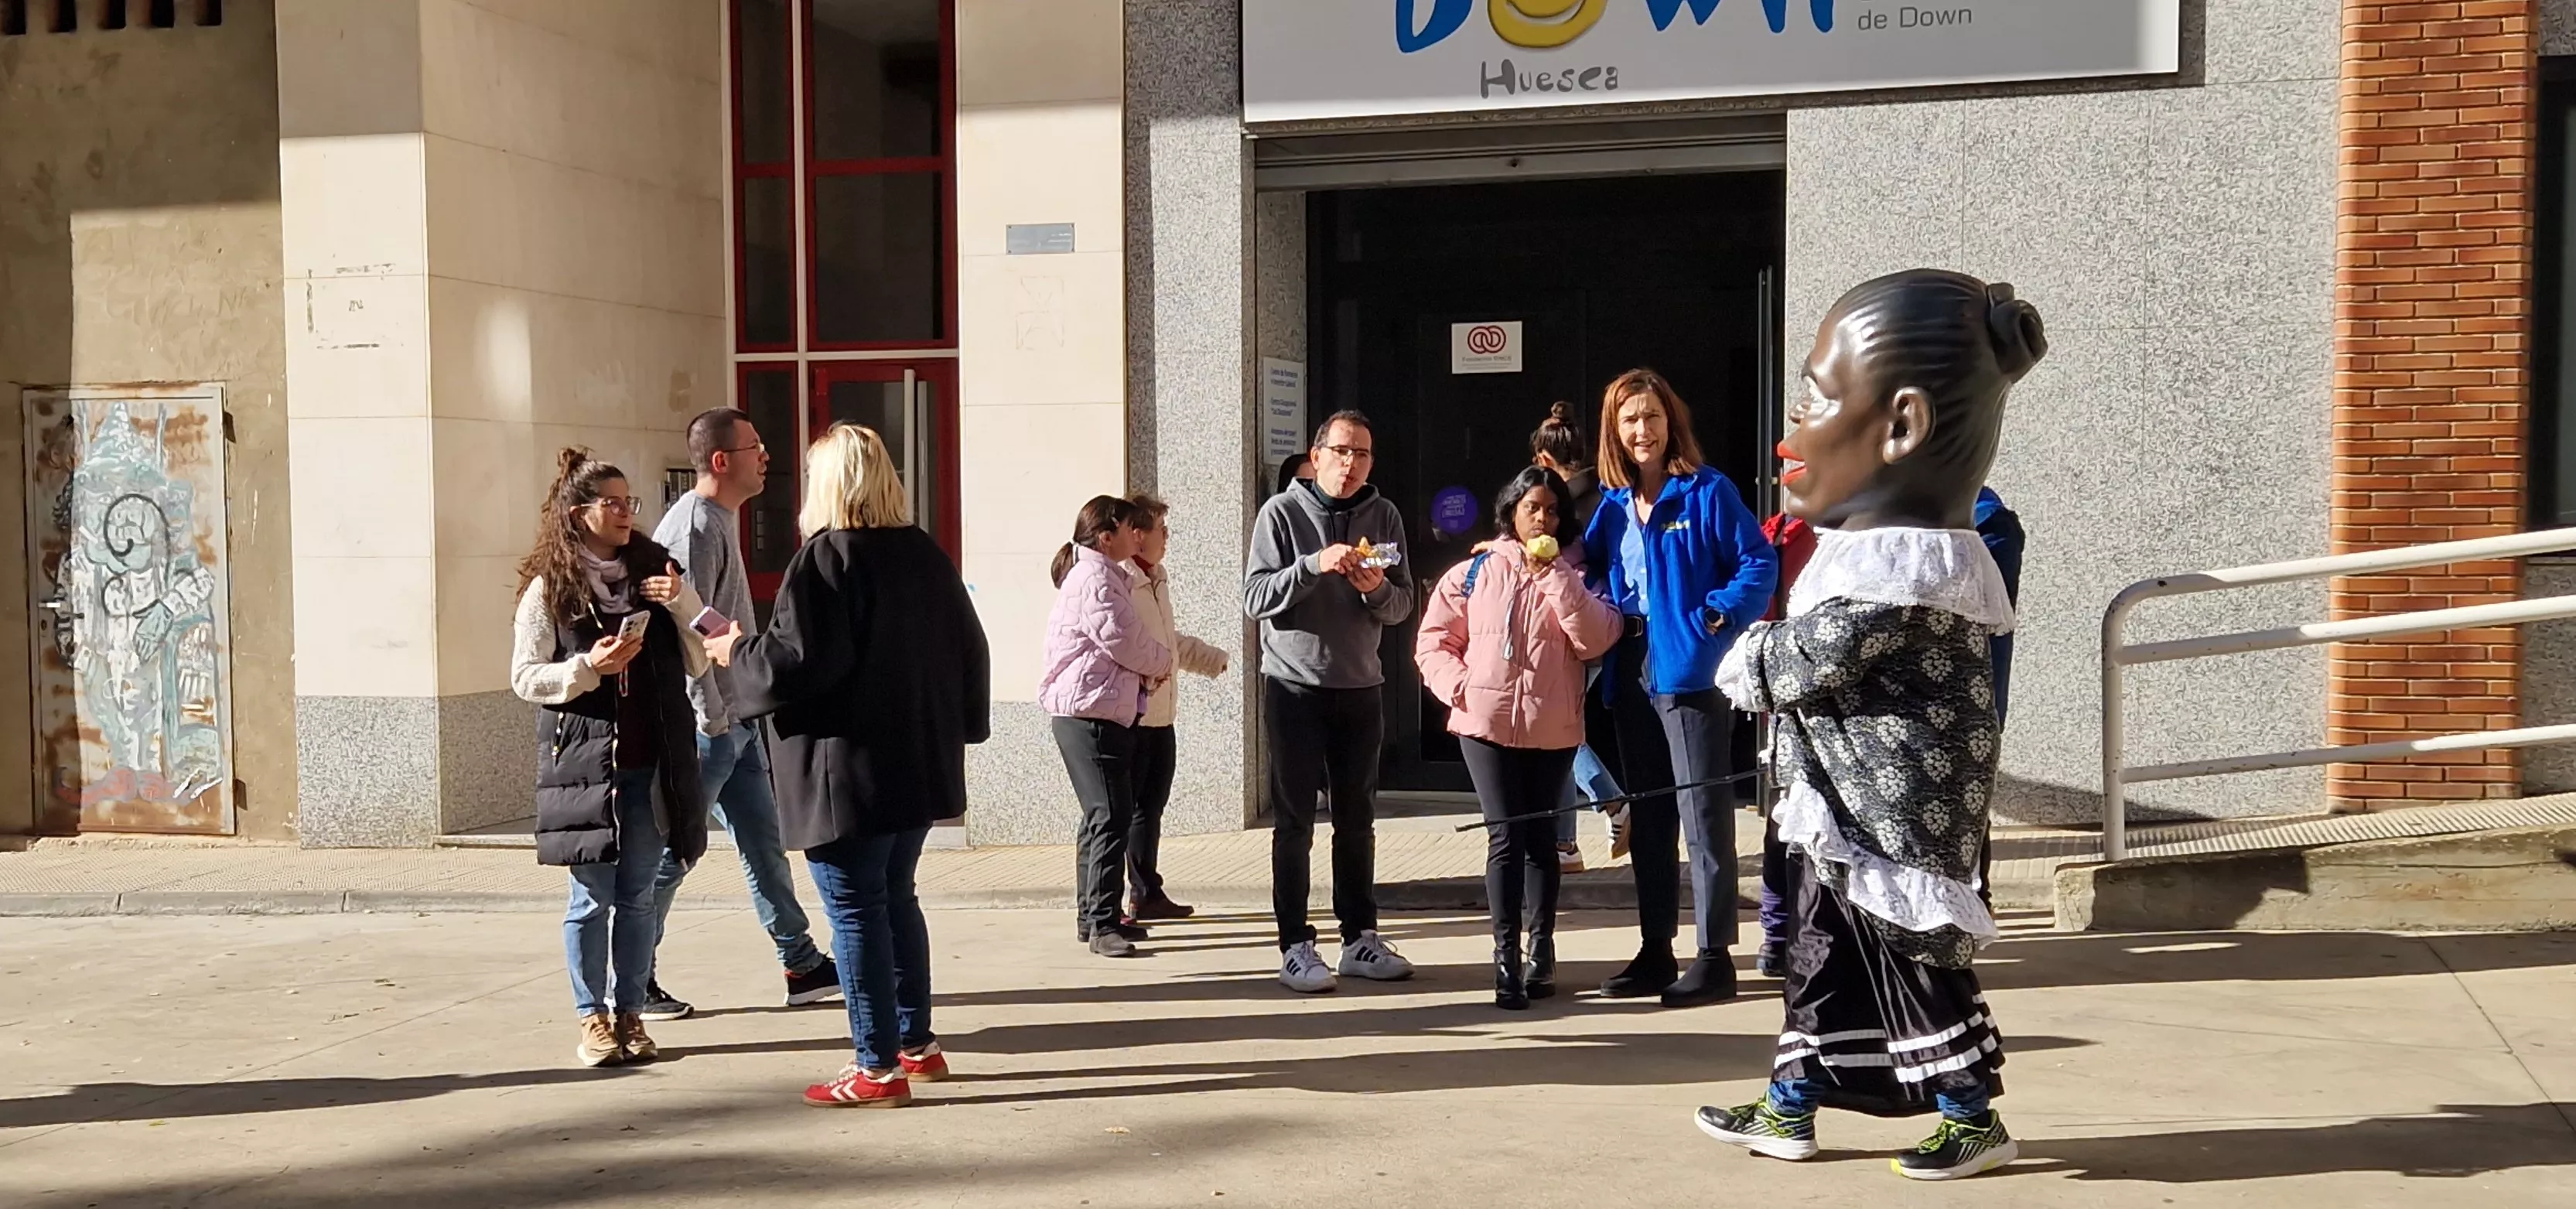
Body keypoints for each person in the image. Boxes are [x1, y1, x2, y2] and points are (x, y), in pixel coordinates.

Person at [1697, 269, 2044, 1181]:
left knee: (1912, 965)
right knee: (1822, 958)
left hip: (1894, 829)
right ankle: (1789, 1105)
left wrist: (1748, 655)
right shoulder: (1891, 560)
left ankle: (1971, 1114)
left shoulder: (1906, 568)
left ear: (1902, 428)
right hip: (1850, 816)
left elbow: (1804, 660)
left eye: (1813, 404)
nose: (1788, 437)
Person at [722, 423, 992, 1108]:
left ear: (829, 485)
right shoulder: (922, 553)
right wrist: (958, 730)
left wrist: (735, 651)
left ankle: (877, 1065)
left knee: (855, 910)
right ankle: (916, 1044)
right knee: (895, 898)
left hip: (846, 771)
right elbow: (971, 650)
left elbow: (798, 662)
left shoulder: (825, 558)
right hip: (915, 764)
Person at [508, 449, 712, 1068]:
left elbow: (700, 660)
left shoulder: (659, 570)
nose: (627, 514)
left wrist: (679, 604)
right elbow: (523, 676)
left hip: (656, 762)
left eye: (632, 503)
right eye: (614, 503)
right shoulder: (553, 587)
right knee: (591, 898)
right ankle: (591, 1017)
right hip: (586, 767)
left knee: (639, 896)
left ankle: (632, 1014)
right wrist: (586, 668)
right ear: (578, 514)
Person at [1582, 370, 1778, 1008]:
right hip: (1629, 666)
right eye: (1630, 419)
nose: (1643, 430)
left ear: (1672, 424)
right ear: (1615, 429)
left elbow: (1758, 561)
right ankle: (1655, 949)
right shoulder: (1610, 507)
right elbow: (1580, 569)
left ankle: (1715, 954)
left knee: (1703, 815)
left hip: (1689, 667)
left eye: (1653, 418)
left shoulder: (1706, 491)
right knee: (1652, 815)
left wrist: (1716, 616)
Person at [642, 408, 837, 1020]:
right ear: (721, 461)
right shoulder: (695, 527)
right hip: (712, 724)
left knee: (764, 843)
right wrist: (711, 719)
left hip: (737, 719)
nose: (767, 456)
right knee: (677, 848)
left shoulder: (718, 519)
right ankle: (633, 973)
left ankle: (801, 963)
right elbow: (685, 626)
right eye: (755, 446)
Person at [1414, 466, 1621, 1009]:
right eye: (1532, 507)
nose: (1542, 518)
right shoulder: (1478, 568)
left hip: (1552, 727)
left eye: (1552, 510)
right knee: (1504, 836)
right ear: (1512, 513)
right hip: (1485, 724)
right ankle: (1505, 956)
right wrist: (1460, 687)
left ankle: (1542, 948)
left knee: (1540, 841)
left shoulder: (1578, 573)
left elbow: (1597, 637)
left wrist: (1556, 577)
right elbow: (1433, 639)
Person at [1244, 409, 1418, 994]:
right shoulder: (1282, 513)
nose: (1351, 464)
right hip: (1294, 684)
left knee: (1357, 819)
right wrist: (1311, 566)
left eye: (1362, 454)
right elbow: (1255, 597)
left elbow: (1402, 605)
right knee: (1295, 820)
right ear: (1316, 456)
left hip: (1360, 684)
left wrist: (1376, 590)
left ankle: (1359, 936)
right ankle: (1295, 943)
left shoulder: (1384, 513)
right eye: (1341, 451)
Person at [1040, 496, 1176, 958]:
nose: (1134, 535)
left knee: (1103, 816)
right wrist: (1161, 663)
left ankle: (1093, 917)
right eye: (1126, 528)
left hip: (1097, 709)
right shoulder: (1096, 579)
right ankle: (1100, 921)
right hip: (1089, 713)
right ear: (1106, 536)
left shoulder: (1102, 576)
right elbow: (1125, 641)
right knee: (1111, 814)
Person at [1122, 494, 1232, 924]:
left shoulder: (1157, 577)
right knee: (1125, 813)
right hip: (1131, 715)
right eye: (1160, 530)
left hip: (1162, 717)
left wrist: (1211, 659)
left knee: (1151, 808)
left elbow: (1167, 641)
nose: (1166, 538)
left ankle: (1148, 891)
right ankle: (1113, 903)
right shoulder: (1121, 579)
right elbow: (1128, 646)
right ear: (1137, 535)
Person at [1529, 401, 1622, 874]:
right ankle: (1567, 842)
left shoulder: (1558, 509)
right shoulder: (1608, 499)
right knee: (1562, 730)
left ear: (1544, 461)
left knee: (1559, 733)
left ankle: (1608, 807)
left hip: (1568, 629)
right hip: (1599, 623)